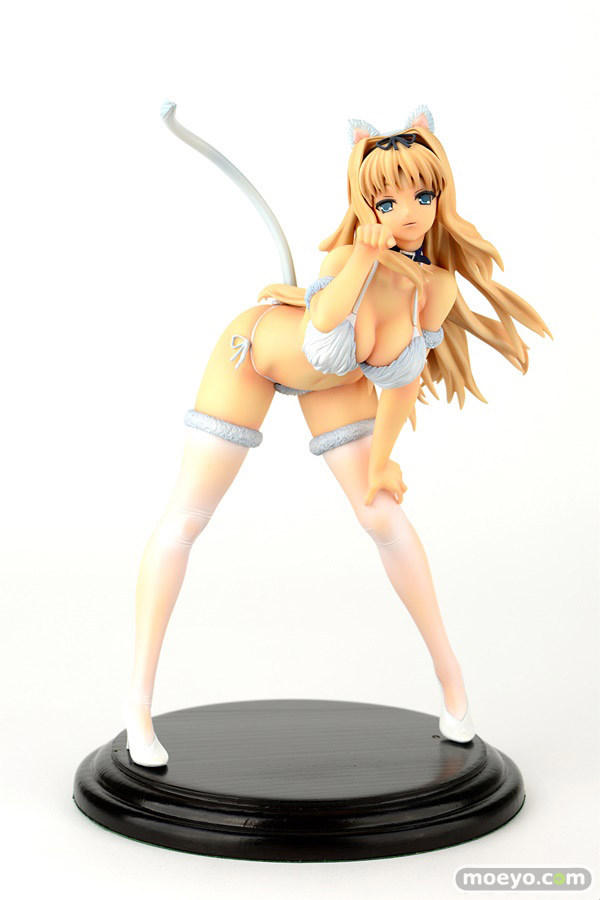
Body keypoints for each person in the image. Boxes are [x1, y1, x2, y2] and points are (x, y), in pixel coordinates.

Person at [122, 106, 551, 766]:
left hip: (338, 383)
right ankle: (138, 706)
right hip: (253, 356)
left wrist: (383, 462)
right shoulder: (350, 256)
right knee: (187, 518)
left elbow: (401, 382)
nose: (408, 213)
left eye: (423, 195)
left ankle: (454, 685)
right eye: (387, 200)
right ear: (365, 203)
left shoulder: (434, 288)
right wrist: (364, 258)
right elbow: (325, 320)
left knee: (383, 516)